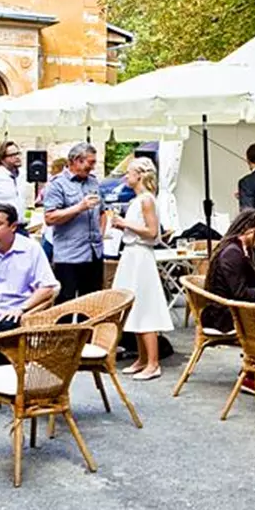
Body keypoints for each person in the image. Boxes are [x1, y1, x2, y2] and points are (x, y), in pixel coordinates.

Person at [108, 158, 173, 380]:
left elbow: (152, 232)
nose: (126, 176)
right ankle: (142, 359)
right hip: (132, 255)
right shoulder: (138, 200)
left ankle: (153, 363)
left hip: (140, 257)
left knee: (145, 307)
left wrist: (124, 224)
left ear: (140, 175)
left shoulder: (146, 200)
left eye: (129, 172)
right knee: (134, 307)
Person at [0, 203, 59, 330]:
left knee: (4, 328)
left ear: (13, 227)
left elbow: (47, 287)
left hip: (16, 312)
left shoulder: (31, 249)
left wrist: (22, 308)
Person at [42, 142, 106, 301]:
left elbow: (103, 212)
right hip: (69, 256)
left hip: (94, 255)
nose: (92, 167)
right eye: (90, 162)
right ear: (76, 160)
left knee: (93, 305)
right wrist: (79, 207)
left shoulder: (93, 182)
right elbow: (50, 218)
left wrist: (101, 235)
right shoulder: (57, 185)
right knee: (66, 306)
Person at [201, 209, 255, 333]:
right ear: (247, 228)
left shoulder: (240, 249)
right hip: (223, 316)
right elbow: (240, 292)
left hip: (231, 309)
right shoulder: (232, 252)